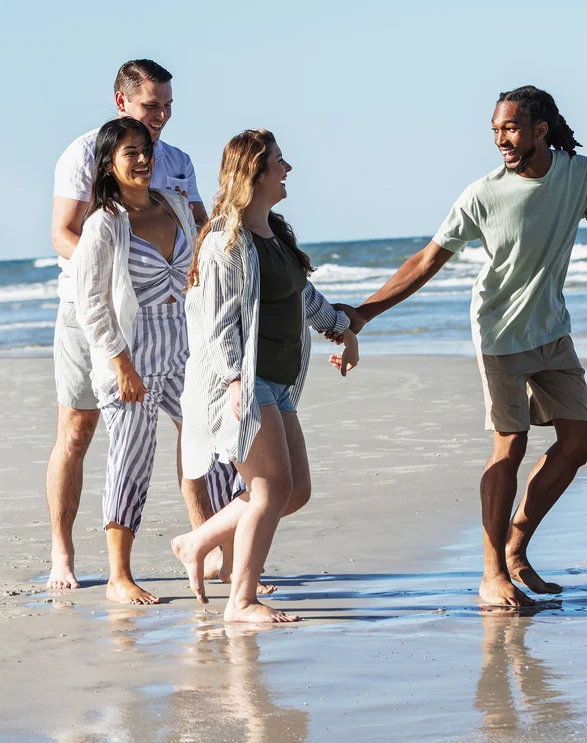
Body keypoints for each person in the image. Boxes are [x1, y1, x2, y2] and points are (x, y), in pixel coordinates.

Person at [352, 86, 587, 607]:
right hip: (498, 332)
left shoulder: (582, 174)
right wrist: (364, 312)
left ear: (541, 130)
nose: (501, 139)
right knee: (511, 443)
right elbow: (428, 259)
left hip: (551, 329)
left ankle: (516, 544)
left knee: (578, 440)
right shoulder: (482, 194)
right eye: (496, 130)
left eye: (511, 128)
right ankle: (491, 573)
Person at [172, 129, 359, 622]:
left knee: (293, 491)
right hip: (242, 384)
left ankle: (197, 542)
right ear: (254, 172)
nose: (288, 169)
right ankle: (241, 601)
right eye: (280, 161)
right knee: (271, 490)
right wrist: (235, 380)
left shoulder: (276, 234)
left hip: (279, 383)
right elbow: (214, 325)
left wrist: (343, 330)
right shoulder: (225, 243)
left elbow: (303, 297)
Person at [47, 59, 212, 590]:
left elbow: (200, 229)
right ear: (122, 102)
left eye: (167, 105)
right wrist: (123, 280)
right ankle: (63, 553)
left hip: (170, 324)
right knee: (80, 429)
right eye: (150, 106)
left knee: (199, 430)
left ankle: (205, 546)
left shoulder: (177, 162)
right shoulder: (84, 153)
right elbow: (64, 234)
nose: (161, 115)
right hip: (94, 311)